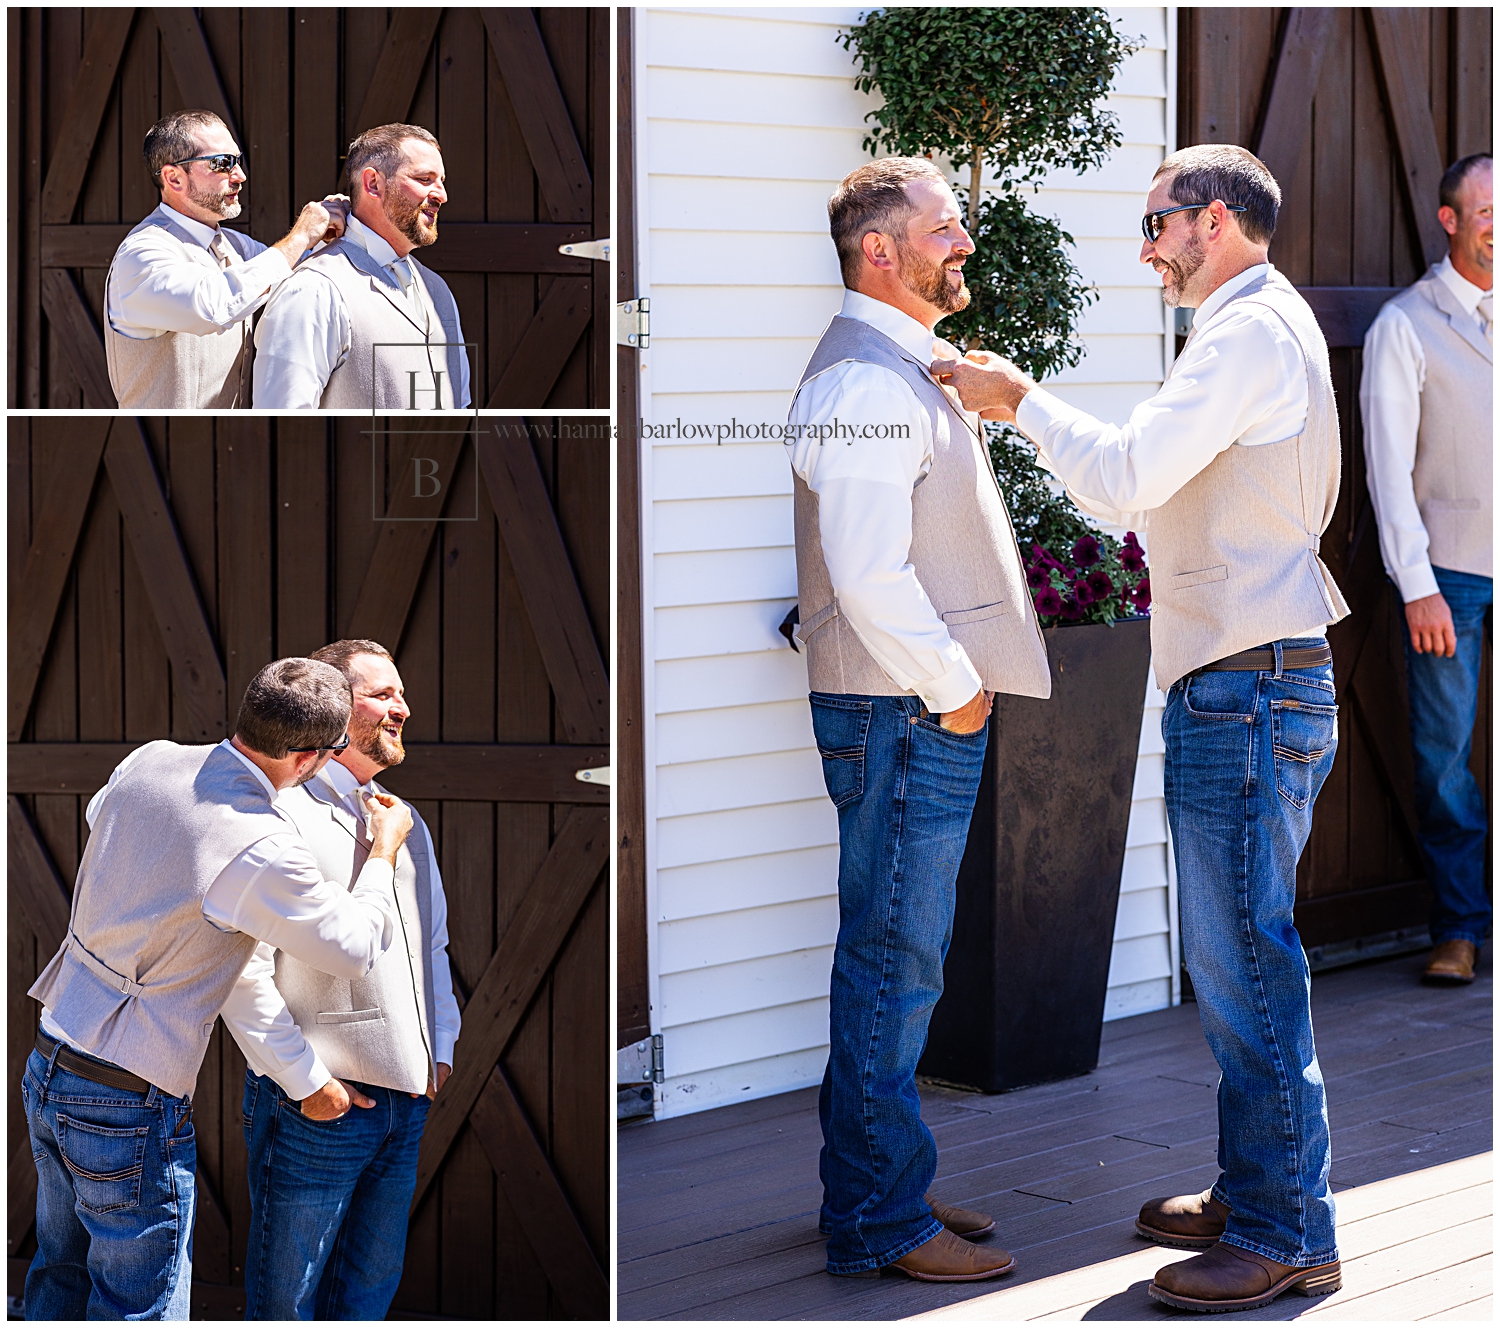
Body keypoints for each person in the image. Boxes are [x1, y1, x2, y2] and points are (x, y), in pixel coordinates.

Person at [937, 144, 1348, 1313]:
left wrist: (1016, 400)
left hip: (1249, 687)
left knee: (1248, 968)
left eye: (1157, 222)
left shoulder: (1245, 335)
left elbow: (1124, 480)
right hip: (1259, 678)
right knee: (1242, 964)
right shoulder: (1260, 325)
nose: (1147, 246)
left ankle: (1285, 1232)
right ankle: (1257, 1187)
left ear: (1211, 219)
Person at [788, 157, 1051, 1284]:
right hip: (903, 710)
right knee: (893, 964)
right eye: (947, 229)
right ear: (879, 252)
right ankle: (881, 1219)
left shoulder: (900, 368)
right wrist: (953, 684)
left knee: (898, 960)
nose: (967, 245)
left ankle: (875, 1175)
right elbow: (866, 572)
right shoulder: (866, 383)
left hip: (907, 710)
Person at [22, 659, 414, 1320]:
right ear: (312, 757)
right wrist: (383, 851)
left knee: (58, 1273)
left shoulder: (150, 760)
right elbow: (351, 946)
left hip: (51, 1058)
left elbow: (103, 816)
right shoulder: (258, 846)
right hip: (127, 1096)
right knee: (137, 1305)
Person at [229, 640, 460, 1320]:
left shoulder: (397, 814)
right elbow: (245, 971)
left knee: (366, 1299)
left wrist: (439, 1049)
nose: (403, 708)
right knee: (287, 1307)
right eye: (383, 694)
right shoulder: (282, 813)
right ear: (334, 706)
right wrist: (310, 1085)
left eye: (401, 693)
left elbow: (431, 941)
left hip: (407, 1103)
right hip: (317, 1110)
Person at [1360, 154, 1493, 986]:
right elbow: (1386, 469)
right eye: (1486, 210)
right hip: (1453, 578)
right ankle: (1460, 931)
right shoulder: (1404, 326)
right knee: (1445, 765)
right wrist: (1417, 585)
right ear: (1450, 220)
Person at [105, 109, 348, 408]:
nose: (240, 176)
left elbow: (300, 271)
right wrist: (301, 235)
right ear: (174, 178)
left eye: (238, 160)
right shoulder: (141, 254)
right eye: (222, 164)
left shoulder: (234, 245)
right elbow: (212, 305)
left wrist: (347, 231)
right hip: (164, 445)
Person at [253, 123, 470, 409]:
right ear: (373, 184)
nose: (442, 195)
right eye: (424, 179)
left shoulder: (437, 289)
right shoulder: (313, 289)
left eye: (441, 181)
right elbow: (282, 421)